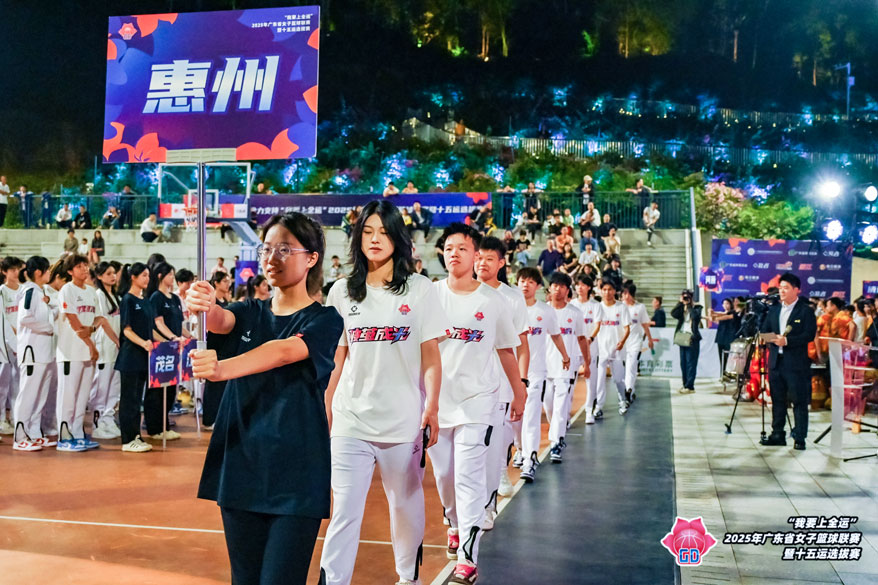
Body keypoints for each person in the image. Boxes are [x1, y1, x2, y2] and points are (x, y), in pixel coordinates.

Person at [184, 211, 344, 584]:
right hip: (241, 467)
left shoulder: (325, 320)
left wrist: (222, 368)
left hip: (296, 476)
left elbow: (284, 351)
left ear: (311, 258)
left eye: (284, 249)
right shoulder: (247, 312)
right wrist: (201, 302)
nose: (272, 258)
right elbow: (219, 319)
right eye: (266, 249)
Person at [321, 200, 444, 585]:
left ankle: (408, 577)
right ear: (358, 238)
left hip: (403, 423)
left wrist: (432, 406)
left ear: (398, 238)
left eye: (384, 232)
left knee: (404, 506)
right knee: (344, 510)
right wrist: (325, 408)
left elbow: (431, 355)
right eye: (368, 231)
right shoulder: (341, 292)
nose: (375, 239)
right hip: (350, 421)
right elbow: (336, 359)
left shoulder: (420, 289)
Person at [432, 222, 524, 585]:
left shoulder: (493, 301)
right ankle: (453, 522)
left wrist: (519, 390)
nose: (454, 253)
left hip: (479, 401)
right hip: (437, 403)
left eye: (462, 248)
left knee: (468, 478)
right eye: (448, 248)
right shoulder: (430, 296)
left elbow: (506, 350)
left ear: (475, 256)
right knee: (444, 476)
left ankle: (468, 559)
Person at [475, 237, 530, 522]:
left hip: (500, 384)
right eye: (478, 257)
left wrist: (521, 383)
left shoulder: (511, 298)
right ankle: (459, 511)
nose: (482, 263)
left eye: (489, 258)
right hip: (463, 385)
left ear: (501, 262)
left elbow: (521, 345)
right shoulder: (458, 293)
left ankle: (488, 502)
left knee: (495, 442)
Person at [516, 267, 570, 481]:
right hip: (509, 373)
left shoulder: (545, 311)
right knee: (513, 420)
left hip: (535, 372)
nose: (525, 285)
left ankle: (530, 459)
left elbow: (556, 336)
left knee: (531, 416)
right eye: (522, 280)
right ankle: (520, 448)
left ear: (538, 286)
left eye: (531, 281)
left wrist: (565, 355)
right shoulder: (509, 307)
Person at [759, 273, 818, 450]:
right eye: (780, 288)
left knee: (798, 401)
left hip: (796, 364)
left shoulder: (805, 311)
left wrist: (787, 341)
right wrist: (773, 339)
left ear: (796, 290)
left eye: (786, 288)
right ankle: (777, 434)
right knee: (777, 400)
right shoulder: (774, 310)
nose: (782, 291)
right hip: (776, 362)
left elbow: (809, 335)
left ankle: (800, 437)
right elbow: (764, 331)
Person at [55, 254, 103, 452]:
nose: (84, 269)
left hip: (88, 353)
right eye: (79, 266)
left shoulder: (92, 291)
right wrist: (90, 344)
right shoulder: (67, 290)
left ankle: (78, 433)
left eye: (85, 265)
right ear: (70, 271)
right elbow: (73, 320)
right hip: (70, 352)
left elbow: (99, 318)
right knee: (68, 396)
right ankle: (64, 436)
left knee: (82, 396)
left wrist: (91, 331)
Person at [11, 256, 56, 451]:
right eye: (47, 270)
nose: (49, 273)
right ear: (39, 272)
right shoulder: (29, 291)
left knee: (40, 395)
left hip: (44, 352)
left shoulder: (40, 292)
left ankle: (35, 433)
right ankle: (20, 436)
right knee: (28, 394)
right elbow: (25, 318)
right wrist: (48, 327)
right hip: (32, 353)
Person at [543, 272, 589, 462]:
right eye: (555, 285)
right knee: (549, 406)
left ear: (567, 290)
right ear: (549, 288)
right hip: (543, 367)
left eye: (562, 286)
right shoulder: (542, 311)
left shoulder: (575, 313)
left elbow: (582, 339)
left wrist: (587, 362)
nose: (558, 289)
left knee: (561, 407)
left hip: (565, 367)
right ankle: (557, 432)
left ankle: (556, 442)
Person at [147, 262, 191, 441]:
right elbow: (158, 323)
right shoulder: (156, 297)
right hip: (162, 349)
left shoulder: (174, 299)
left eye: (173, 274)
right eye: (170, 274)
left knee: (171, 387)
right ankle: (154, 427)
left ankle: (165, 425)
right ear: (160, 276)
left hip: (175, 349)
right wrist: (172, 338)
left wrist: (190, 337)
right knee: (158, 389)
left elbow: (179, 325)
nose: (172, 278)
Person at [589, 279, 631, 416]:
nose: (607, 292)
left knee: (618, 379)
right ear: (601, 291)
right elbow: (595, 327)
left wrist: (622, 342)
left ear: (614, 291)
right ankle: (598, 407)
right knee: (600, 380)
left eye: (610, 289)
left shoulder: (621, 307)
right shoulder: (597, 307)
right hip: (601, 350)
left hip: (616, 350)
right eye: (604, 289)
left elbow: (627, 328)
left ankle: (623, 400)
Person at [89, 262, 122, 439]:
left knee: (114, 385)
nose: (113, 276)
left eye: (114, 273)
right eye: (108, 273)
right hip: (105, 346)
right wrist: (116, 340)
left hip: (116, 348)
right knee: (101, 386)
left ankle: (108, 418)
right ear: (99, 276)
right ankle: (98, 422)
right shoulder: (99, 295)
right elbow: (102, 321)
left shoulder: (115, 296)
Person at [201, 271, 232, 430]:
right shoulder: (213, 303)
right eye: (224, 281)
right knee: (213, 385)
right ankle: (209, 419)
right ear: (217, 283)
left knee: (222, 386)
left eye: (228, 281)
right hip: (215, 347)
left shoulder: (227, 302)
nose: (228, 283)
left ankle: (220, 417)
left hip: (226, 347)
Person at [570, 274, 601, 424]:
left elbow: (597, 325)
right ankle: (566, 415)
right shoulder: (571, 304)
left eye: (583, 285)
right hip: (573, 349)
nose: (579, 288)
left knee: (591, 381)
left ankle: (589, 411)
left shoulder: (595, 305)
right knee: (570, 383)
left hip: (590, 349)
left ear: (589, 287)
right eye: (577, 285)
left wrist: (590, 339)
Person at [0, 256, 24, 435]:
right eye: (12, 270)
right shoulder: (2, 292)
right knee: (3, 384)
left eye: (18, 269)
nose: (16, 273)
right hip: (5, 344)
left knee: (18, 383)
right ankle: (2, 419)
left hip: (23, 342)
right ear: (4, 272)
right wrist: (14, 337)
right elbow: (3, 320)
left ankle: (17, 418)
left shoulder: (24, 290)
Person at [621, 282, 654, 405]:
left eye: (627, 293)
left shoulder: (640, 308)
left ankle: (628, 390)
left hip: (635, 342)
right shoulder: (620, 307)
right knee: (626, 368)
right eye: (623, 293)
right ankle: (631, 390)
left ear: (631, 294)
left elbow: (645, 324)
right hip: (622, 343)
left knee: (631, 366)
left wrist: (650, 339)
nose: (624, 296)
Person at [671, 289, 703, 394]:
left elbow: (695, 317)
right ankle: (685, 384)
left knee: (691, 363)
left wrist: (689, 306)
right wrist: (680, 303)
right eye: (684, 297)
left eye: (687, 297)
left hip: (692, 338)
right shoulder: (682, 308)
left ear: (691, 298)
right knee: (683, 363)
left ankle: (690, 386)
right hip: (682, 337)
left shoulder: (697, 307)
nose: (686, 299)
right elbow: (673, 314)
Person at [711, 298, 740, 376]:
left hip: (729, 338)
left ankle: (729, 373)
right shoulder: (723, 313)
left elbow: (724, 316)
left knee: (729, 357)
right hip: (721, 338)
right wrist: (711, 314)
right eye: (724, 304)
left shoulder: (734, 313)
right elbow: (716, 318)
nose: (725, 305)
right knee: (722, 357)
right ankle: (723, 374)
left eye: (727, 303)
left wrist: (714, 315)